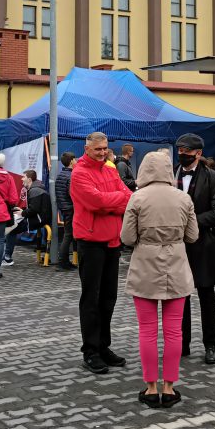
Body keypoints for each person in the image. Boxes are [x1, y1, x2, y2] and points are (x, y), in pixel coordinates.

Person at [121, 151, 199, 409]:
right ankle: (170, 386)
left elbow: (127, 238)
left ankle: (151, 387)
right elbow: (193, 236)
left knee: (147, 331)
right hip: (176, 266)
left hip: (145, 266)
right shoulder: (183, 198)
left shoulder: (137, 198)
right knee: (174, 330)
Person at [70, 131, 132, 374]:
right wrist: (112, 203)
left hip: (112, 242)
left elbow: (127, 198)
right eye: (98, 149)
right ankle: (90, 350)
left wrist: (110, 203)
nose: (103, 152)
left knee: (109, 298)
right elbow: (95, 202)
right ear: (87, 149)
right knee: (91, 299)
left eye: (105, 148)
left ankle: (103, 345)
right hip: (91, 242)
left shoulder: (110, 169)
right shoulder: (79, 173)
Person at [175, 133, 215, 365]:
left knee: (206, 297)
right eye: (179, 151)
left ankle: (210, 345)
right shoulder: (171, 175)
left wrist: (191, 221)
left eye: (186, 151)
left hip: (204, 245)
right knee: (179, 298)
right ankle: (182, 344)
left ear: (198, 153)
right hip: (177, 247)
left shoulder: (214, 177)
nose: (181, 155)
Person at [54, 152, 76, 270]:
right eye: (75, 160)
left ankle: (65, 261)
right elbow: (72, 194)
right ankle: (63, 262)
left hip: (64, 208)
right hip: (70, 208)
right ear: (71, 161)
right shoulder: (70, 176)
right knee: (68, 235)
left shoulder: (61, 174)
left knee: (68, 234)